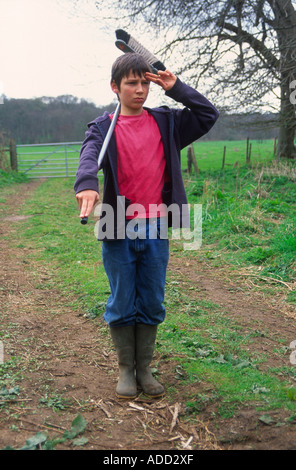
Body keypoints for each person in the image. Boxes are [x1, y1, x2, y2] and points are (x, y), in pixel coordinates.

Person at [74, 53, 219, 399]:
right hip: (115, 223)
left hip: (156, 225)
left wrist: (177, 89)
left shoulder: (167, 122)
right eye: (131, 83)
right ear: (115, 87)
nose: (140, 90)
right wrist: (86, 184)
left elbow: (208, 115)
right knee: (122, 299)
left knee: (152, 299)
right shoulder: (102, 127)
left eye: (145, 83)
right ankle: (126, 370)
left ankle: (146, 368)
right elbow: (89, 156)